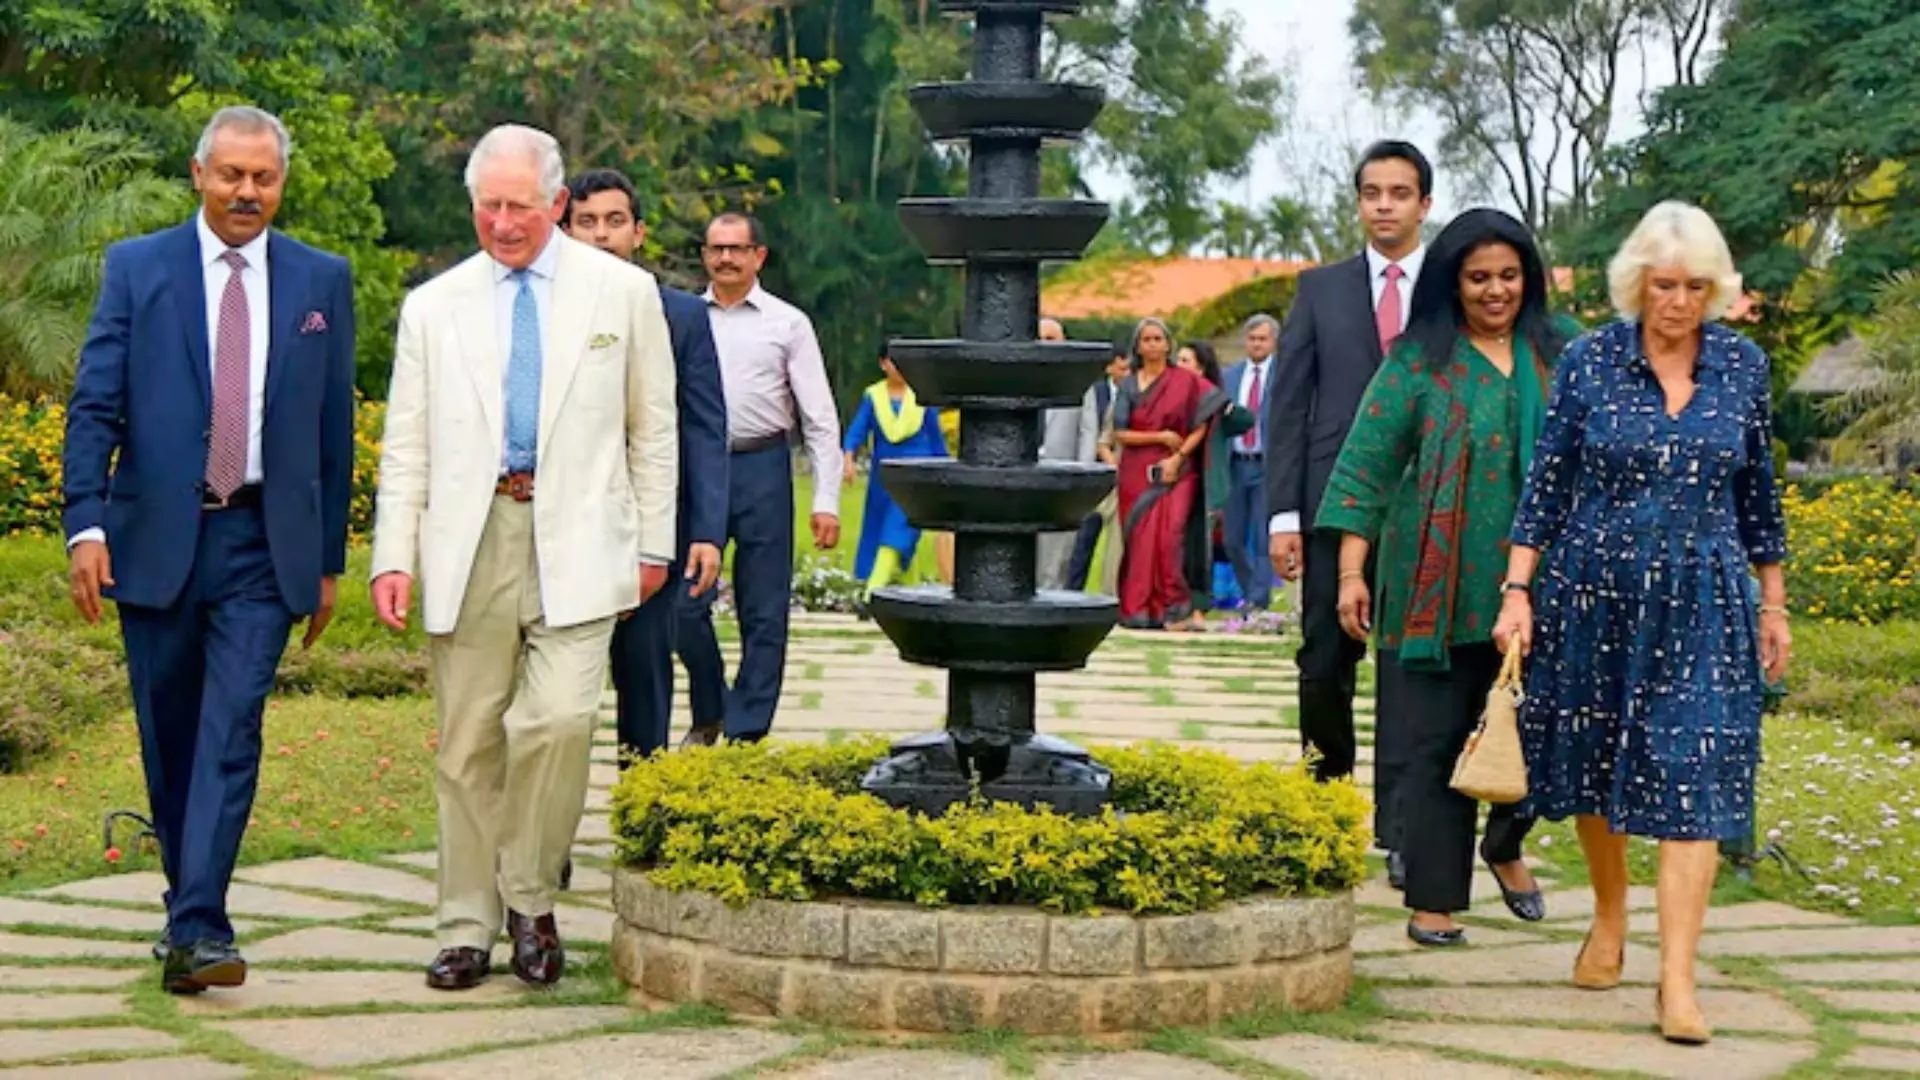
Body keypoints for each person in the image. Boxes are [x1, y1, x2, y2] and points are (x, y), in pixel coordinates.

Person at [369, 124, 678, 991]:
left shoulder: (622, 293)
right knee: (467, 743)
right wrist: (393, 553)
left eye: (520, 206)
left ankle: (530, 897)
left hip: (581, 538)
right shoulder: (433, 306)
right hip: (471, 541)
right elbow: (407, 445)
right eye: (488, 206)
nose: (504, 223)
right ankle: (467, 923)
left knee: (561, 721)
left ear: (556, 204)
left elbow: (653, 428)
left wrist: (654, 539)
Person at [62, 107, 355, 995]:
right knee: (173, 737)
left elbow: (332, 427)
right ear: (199, 175)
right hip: (155, 538)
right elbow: (95, 406)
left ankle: (201, 929)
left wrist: (328, 558)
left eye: (263, 178)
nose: (246, 192)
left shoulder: (321, 280)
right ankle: (186, 907)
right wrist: (85, 525)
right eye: (231, 175)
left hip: (264, 542)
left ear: (281, 184)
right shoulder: (138, 269)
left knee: (232, 730)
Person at [1494, 201, 1790, 1045]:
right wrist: (1518, 592)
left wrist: (1774, 602)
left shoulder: (1742, 368)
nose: (1679, 302)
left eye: (1697, 286)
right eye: (1665, 285)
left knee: (1694, 769)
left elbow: (1757, 496)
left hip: (1706, 595)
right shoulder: (1589, 363)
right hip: (1595, 590)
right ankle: (1612, 919)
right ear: (1637, 284)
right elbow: (1546, 486)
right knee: (1598, 763)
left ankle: (1677, 982)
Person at [1317, 208, 1571, 946]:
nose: (1496, 290)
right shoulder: (1418, 362)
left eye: (1509, 275)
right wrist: (1352, 575)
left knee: (1548, 731)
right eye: (1478, 277)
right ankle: (1434, 901)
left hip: (1547, 588)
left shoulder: (1564, 359)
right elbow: (1364, 470)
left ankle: (1505, 843)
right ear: (1452, 283)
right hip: (1438, 591)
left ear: (1531, 278)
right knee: (1436, 742)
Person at [1265, 141, 1432, 884]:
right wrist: (1282, 516)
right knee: (1325, 661)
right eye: (1373, 193)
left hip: (1428, 507)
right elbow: (1289, 405)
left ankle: (1401, 828)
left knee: (1408, 668)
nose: (1385, 205)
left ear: (1425, 203)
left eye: (1400, 192)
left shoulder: (1449, 292)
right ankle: (1323, 805)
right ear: (1359, 203)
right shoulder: (1321, 290)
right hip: (1334, 505)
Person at [561, 168, 729, 761]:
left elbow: (706, 428)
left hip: (654, 520)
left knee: (644, 668)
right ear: (565, 229)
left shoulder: (681, 315)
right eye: (586, 223)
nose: (601, 236)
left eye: (614, 222)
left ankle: (644, 798)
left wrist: (707, 529)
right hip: (565, 518)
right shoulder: (545, 309)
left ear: (639, 232)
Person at [676, 212, 843, 745]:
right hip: (696, 469)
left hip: (763, 468)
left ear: (758, 256)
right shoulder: (681, 317)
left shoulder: (787, 324)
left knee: (764, 607)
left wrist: (827, 499)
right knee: (682, 602)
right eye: (715, 249)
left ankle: (746, 727)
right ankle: (711, 705)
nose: (725, 258)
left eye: (737, 249)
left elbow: (819, 417)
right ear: (704, 255)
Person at [1111, 318, 1231, 629]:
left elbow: (1203, 421)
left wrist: (1178, 456)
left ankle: (1175, 610)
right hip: (1136, 474)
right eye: (1146, 339)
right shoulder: (1127, 384)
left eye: (1157, 339)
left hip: (1179, 472)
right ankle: (1139, 611)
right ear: (1137, 346)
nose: (1152, 344)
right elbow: (1121, 433)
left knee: (1170, 538)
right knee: (1139, 541)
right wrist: (1161, 437)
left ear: (1168, 344)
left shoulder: (1186, 381)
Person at [843, 344, 950, 601]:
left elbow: (936, 440)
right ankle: (905, 592)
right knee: (883, 531)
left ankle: (872, 593)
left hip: (917, 476)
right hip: (885, 478)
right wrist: (848, 458)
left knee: (898, 528)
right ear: (883, 364)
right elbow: (857, 431)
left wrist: (946, 474)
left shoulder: (923, 397)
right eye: (893, 361)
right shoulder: (874, 396)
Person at [1174, 340, 1256, 630]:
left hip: (1206, 483)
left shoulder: (1214, 401)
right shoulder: (1171, 395)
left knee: (1200, 551)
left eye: (1185, 360)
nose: (1178, 364)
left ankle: (1197, 610)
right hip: (1174, 481)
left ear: (1200, 366)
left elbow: (1245, 420)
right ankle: (1176, 609)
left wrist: (1224, 404)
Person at [1220, 315, 1278, 611]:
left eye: (1262, 339)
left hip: (1267, 465)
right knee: (1232, 538)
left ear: (1274, 342)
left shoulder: (1284, 375)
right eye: (1252, 338)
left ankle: (1257, 600)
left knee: (1263, 534)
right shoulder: (1230, 376)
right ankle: (1251, 589)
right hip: (1236, 464)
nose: (1256, 344)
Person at [1065, 342, 1132, 593]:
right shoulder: (1095, 392)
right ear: (1110, 367)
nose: (1125, 373)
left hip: (1122, 480)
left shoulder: (1133, 393)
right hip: (1095, 476)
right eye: (1121, 368)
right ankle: (1072, 589)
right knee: (1084, 539)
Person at [1036, 317, 1086, 589]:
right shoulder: (1016, 379)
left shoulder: (1078, 380)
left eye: (1051, 338)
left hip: (1062, 473)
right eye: (1040, 338)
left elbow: (1087, 431)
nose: (1045, 344)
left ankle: (1051, 595)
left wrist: (1084, 475)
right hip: (1024, 474)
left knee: (1058, 549)